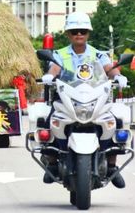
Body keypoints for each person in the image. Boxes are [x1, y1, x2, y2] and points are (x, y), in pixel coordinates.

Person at [40, 12, 128, 189]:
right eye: (74, 31)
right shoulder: (60, 54)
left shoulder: (98, 54)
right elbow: (55, 69)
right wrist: (49, 76)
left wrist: (119, 76)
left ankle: (111, 166)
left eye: (83, 31)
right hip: (66, 99)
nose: (79, 34)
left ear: (88, 33)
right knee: (47, 122)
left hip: (93, 99)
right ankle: (52, 162)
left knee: (116, 122)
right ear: (68, 34)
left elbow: (110, 69)